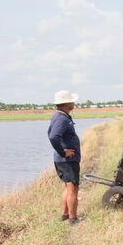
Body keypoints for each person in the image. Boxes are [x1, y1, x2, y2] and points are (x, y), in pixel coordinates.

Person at [47, 90, 82, 224]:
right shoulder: (61, 118)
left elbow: (52, 134)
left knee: (68, 187)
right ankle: (73, 218)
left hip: (64, 160)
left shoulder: (60, 116)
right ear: (66, 103)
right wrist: (63, 152)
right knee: (73, 188)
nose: (74, 103)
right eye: (72, 101)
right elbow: (53, 136)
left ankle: (65, 214)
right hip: (67, 160)